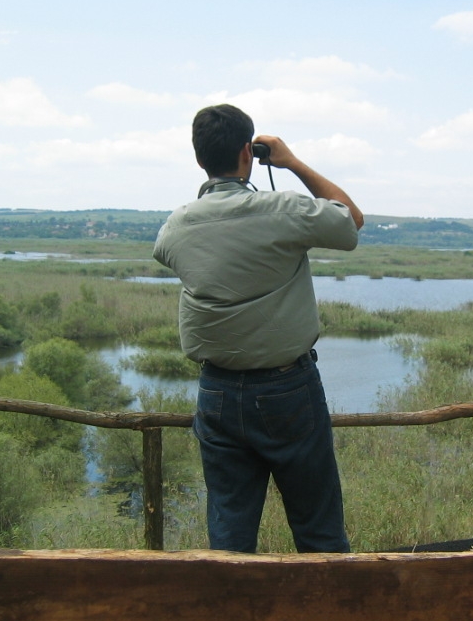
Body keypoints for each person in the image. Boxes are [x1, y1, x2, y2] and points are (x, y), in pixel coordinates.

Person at [153, 103, 364, 558]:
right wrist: (292, 162)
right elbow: (351, 222)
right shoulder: (283, 209)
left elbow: (165, 253)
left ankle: (231, 603)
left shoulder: (176, 225)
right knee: (319, 531)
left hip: (216, 390)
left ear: (199, 158)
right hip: (289, 388)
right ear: (248, 152)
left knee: (229, 536)